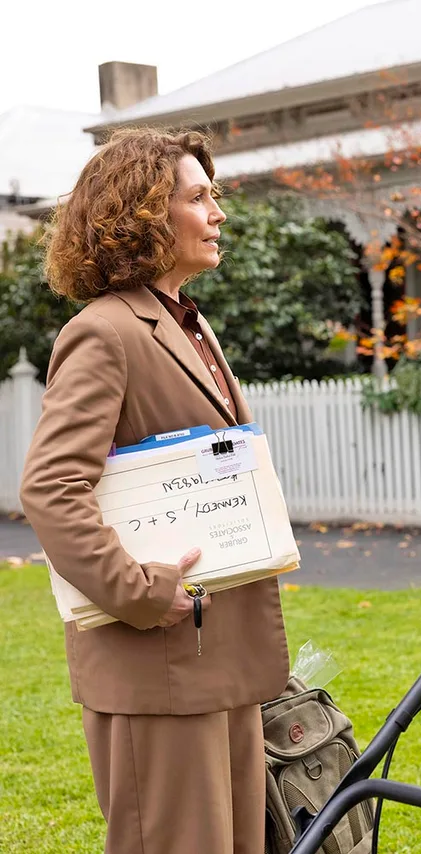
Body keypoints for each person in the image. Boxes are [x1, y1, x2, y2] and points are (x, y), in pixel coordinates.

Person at [19, 128, 290, 854]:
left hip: (218, 661)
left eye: (214, 196)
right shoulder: (104, 333)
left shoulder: (186, 324)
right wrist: (138, 590)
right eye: (199, 197)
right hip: (158, 665)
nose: (218, 213)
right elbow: (51, 486)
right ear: (144, 216)